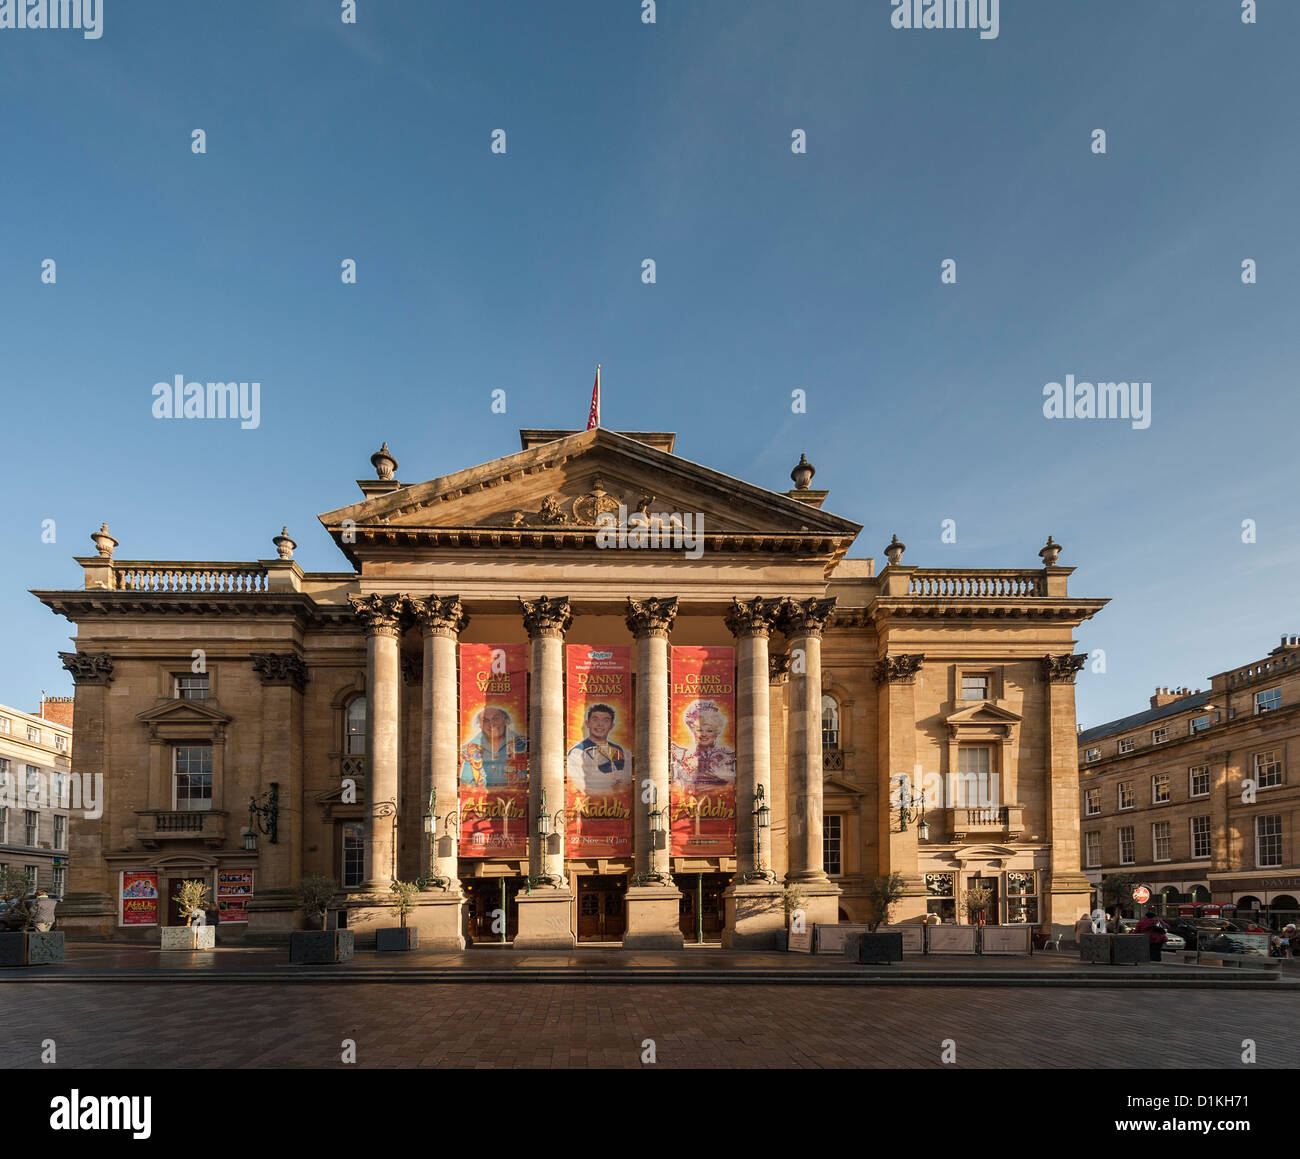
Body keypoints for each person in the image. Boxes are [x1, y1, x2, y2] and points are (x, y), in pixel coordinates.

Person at [669, 699, 736, 794]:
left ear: (717, 732)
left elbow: (732, 784)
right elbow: (676, 786)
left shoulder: (728, 756)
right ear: (692, 730)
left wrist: (718, 788)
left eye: (709, 730)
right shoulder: (682, 755)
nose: (704, 734)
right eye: (699, 730)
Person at [565, 703, 630, 795]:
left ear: (612, 725)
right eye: (595, 719)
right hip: (589, 805)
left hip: (619, 805)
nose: (600, 724)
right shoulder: (577, 753)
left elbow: (626, 780)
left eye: (606, 720)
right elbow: (579, 788)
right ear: (587, 723)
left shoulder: (619, 750)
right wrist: (613, 788)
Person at [459, 706, 528, 787]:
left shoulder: (523, 744)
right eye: (485, 721)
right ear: (480, 725)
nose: (491, 724)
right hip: (479, 799)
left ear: (505, 721)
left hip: (515, 798)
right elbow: (466, 781)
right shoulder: (468, 750)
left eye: (496, 718)